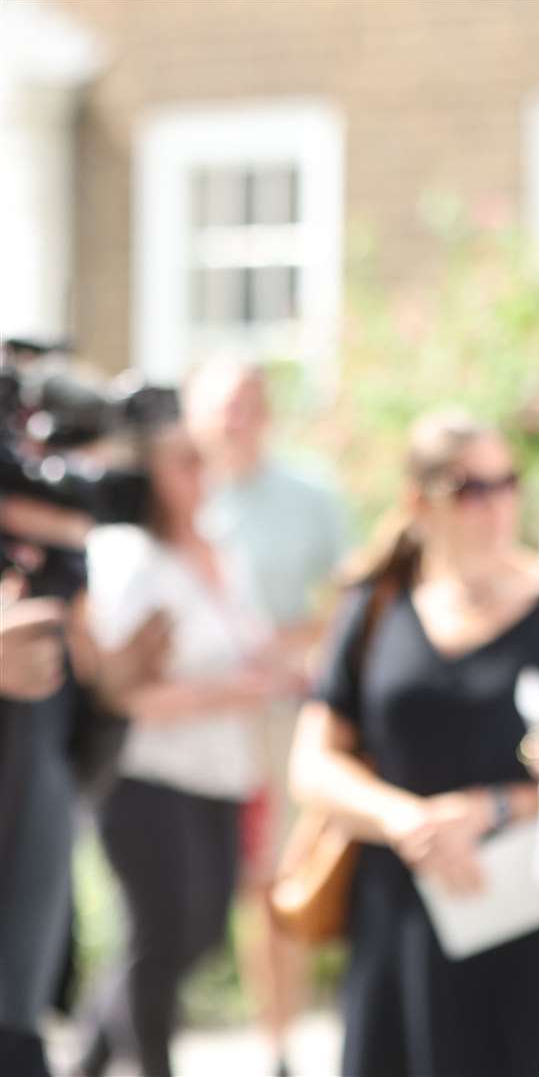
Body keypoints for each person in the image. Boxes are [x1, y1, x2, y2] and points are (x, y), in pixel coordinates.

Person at [288, 409, 539, 1077]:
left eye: (506, 483)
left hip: (520, 917)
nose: (495, 506)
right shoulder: (376, 606)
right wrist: (408, 821)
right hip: (395, 916)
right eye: (470, 489)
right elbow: (312, 763)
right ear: (419, 503)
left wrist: (488, 810)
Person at [75, 415, 297, 1077]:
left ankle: (87, 1055)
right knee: (159, 942)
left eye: (204, 460)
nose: (203, 474)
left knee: (199, 935)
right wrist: (231, 692)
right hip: (147, 775)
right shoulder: (130, 560)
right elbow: (121, 693)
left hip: (221, 775)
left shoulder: (221, 553)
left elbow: (252, 643)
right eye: (186, 463)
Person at [183, 356, 350, 1076]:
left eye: (249, 404)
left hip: (277, 715)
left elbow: (343, 604)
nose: (235, 419)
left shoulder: (308, 495)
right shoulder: (176, 491)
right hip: (187, 721)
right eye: (222, 405)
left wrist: (280, 647)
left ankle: (279, 1043)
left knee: (275, 881)